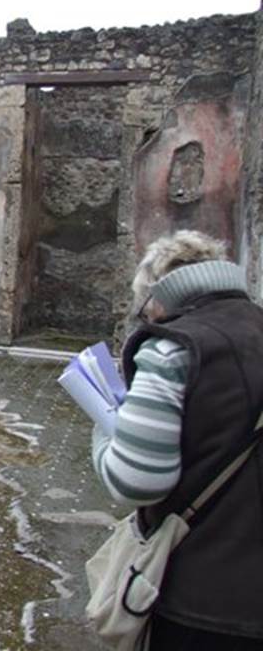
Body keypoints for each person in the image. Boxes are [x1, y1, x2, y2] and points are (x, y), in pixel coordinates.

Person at [91, 230, 263, 650]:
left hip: (203, 592)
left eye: (144, 308)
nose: (146, 317)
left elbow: (137, 481)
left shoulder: (174, 350)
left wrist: (102, 434)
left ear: (158, 296)